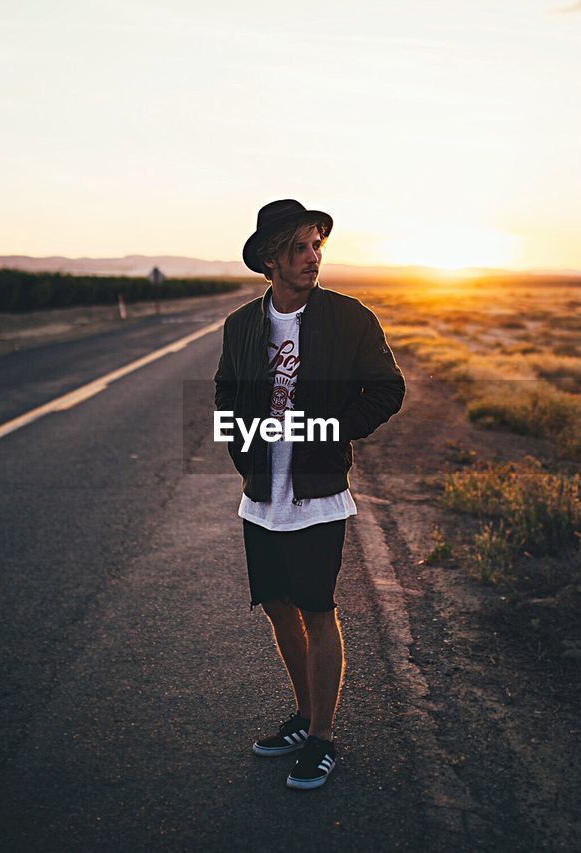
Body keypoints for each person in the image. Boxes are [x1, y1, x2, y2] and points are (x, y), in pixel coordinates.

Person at [214, 199, 405, 790]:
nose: (311, 257)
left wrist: (334, 429)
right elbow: (225, 395)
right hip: (260, 493)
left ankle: (322, 738)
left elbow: (387, 389)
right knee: (276, 604)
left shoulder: (349, 319)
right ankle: (303, 716)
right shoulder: (243, 325)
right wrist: (243, 452)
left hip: (318, 492)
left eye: (316, 245)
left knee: (319, 610)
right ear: (272, 259)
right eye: (298, 248)